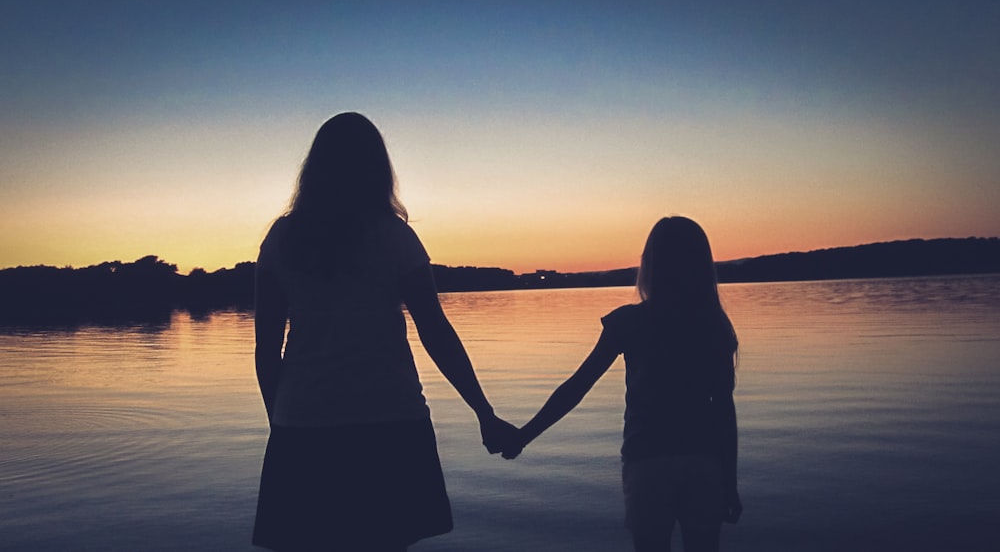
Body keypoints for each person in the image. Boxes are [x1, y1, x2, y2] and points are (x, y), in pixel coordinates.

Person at [252, 112, 518, 551]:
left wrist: (280, 426)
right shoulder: (394, 237)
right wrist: (483, 413)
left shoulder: (282, 239)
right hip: (391, 421)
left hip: (304, 423)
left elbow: (266, 350)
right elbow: (436, 332)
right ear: (377, 168)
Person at [502, 216, 742, 552]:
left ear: (650, 264)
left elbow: (577, 387)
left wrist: (524, 435)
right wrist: (729, 484)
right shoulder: (713, 325)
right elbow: (724, 412)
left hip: (648, 462)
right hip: (704, 461)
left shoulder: (629, 322)